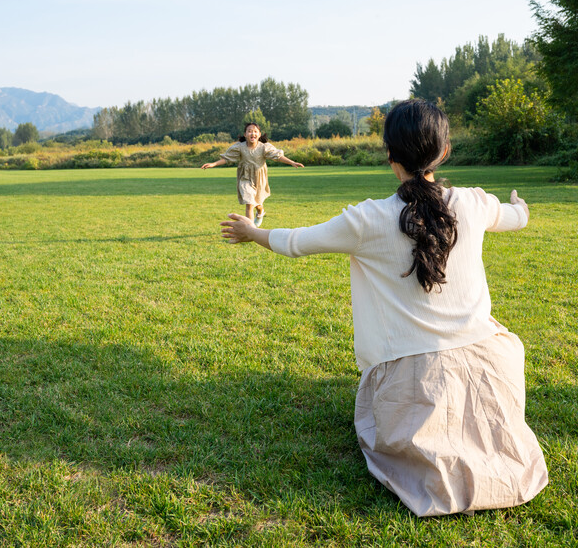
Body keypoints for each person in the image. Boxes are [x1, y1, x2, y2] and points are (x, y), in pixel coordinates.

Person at [220, 99, 548, 516]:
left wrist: (252, 232)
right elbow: (514, 217)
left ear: (389, 155)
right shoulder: (473, 202)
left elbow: (297, 242)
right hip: (491, 369)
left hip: (412, 382)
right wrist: (520, 206)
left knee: (431, 459)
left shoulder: (368, 220)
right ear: (443, 152)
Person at [201, 122, 304, 225]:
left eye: (255, 131)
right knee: (249, 203)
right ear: (245, 134)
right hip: (245, 178)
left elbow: (277, 157)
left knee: (257, 203)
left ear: (259, 134)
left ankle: (260, 212)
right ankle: (251, 230)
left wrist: (292, 162)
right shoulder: (239, 147)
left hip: (259, 178)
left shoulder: (264, 147)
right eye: (249, 131)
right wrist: (213, 164)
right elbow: (227, 158)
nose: (252, 133)